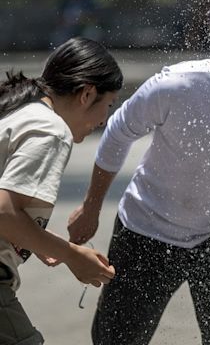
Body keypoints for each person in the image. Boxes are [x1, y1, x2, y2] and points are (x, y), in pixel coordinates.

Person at [67, 57, 210, 345]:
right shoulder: (179, 85)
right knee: (116, 338)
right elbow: (119, 130)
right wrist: (91, 207)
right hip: (146, 227)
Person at [0, 37, 121, 344]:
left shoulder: (22, 110)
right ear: (87, 94)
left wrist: (42, 243)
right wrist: (72, 256)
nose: (104, 119)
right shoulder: (51, 130)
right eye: (107, 104)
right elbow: (3, 210)